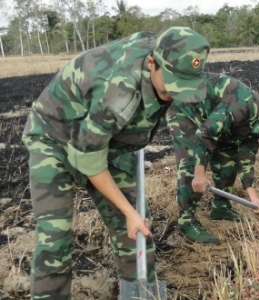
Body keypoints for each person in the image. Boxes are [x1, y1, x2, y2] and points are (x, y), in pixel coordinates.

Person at [22, 26, 210, 299]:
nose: (175, 91)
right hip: (56, 138)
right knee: (54, 240)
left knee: (136, 232)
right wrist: (128, 211)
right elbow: (90, 160)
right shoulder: (117, 93)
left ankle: (140, 292)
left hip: (107, 142)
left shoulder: (168, 50)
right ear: (151, 62)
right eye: (171, 81)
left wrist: (131, 217)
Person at [166, 74, 259, 244]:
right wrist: (200, 173)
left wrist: (254, 198)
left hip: (215, 119)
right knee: (191, 165)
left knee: (228, 164)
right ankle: (186, 222)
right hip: (187, 111)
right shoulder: (242, 106)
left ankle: (221, 208)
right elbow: (206, 134)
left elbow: (246, 159)